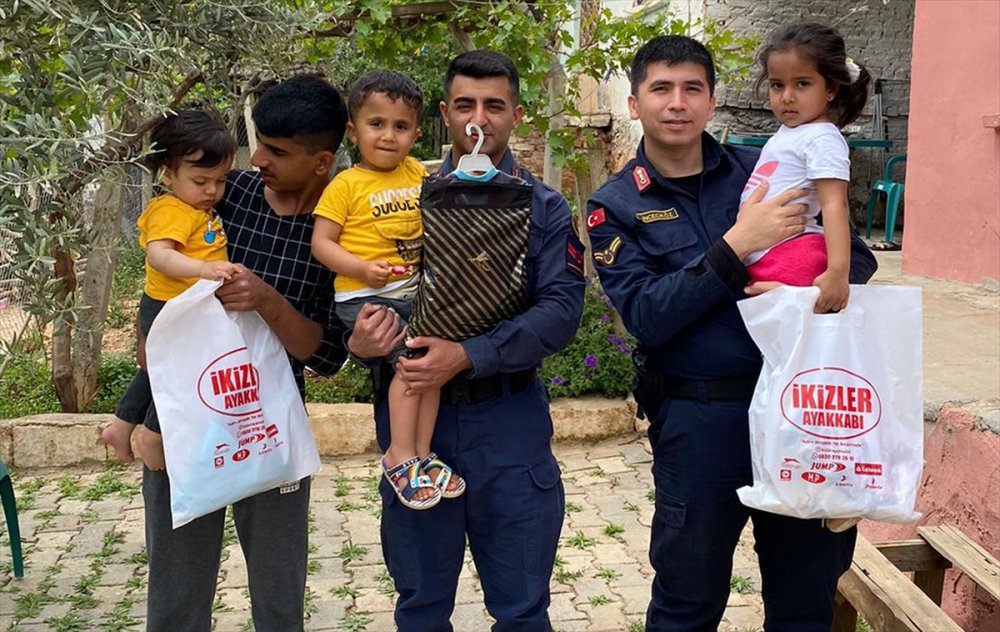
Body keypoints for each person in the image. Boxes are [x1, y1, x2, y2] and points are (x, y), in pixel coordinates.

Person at [586, 36, 878, 631]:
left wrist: (799, 292)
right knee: (687, 601)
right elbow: (646, 316)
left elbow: (857, 263)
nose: (677, 103)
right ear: (636, 102)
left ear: (712, 100)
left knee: (804, 596)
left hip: (800, 411)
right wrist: (738, 244)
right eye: (661, 89)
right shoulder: (615, 205)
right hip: (701, 423)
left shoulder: (767, 165)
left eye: (692, 88)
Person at [351, 50, 586, 631]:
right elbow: (353, 283)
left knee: (522, 607)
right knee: (422, 605)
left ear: (516, 115)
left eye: (494, 105)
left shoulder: (544, 208)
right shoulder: (406, 200)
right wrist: (358, 338)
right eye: (465, 104)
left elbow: (560, 311)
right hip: (414, 431)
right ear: (445, 114)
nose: (479, 117)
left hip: (507, 425)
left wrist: (468, 355)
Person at [132, 74, 368, 632]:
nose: (256, 157)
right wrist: (143, 417)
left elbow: (328, 355)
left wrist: (267, 300)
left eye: (278, 151)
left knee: (279, 593)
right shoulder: (222, 195)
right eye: (259, 141)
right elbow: (164, 306)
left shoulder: (339, 236)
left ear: (322, 162)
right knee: (177, 590)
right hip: (187, 421)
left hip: (270, 424)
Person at [312, 70, 462, 511]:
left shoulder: (417, 172)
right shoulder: (346, 185)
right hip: (365, 298)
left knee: (432, 368)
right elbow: (321, 244)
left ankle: (422, 453)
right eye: (377, 124)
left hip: (411, 293)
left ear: (416, 133)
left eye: (400, 127)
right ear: (353, 130)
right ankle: (399, 455)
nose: (388, 136)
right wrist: (362, 268)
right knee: (412, 369)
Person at [745, 22, 872, 532]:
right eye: (778, 86)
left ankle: (838, 487)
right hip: (771, 258)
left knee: (806, 379)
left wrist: (837, 273)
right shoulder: (792, 134)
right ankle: (810, 478)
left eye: (802, 85)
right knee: (795, 381)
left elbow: (834, 204)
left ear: (831, 89)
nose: (787, 97)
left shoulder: (822, 137)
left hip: (797, 257)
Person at [100, 110, 237, 465]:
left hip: (186, 307)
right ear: (168, 174)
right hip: (168, 307)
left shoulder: (194, 209)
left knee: (158, 372)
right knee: (178, 373)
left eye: (220, 181)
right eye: (201, 180)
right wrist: (203, 269)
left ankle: (120, 425)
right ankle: (153, 435)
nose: (212, 190)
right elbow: (160, 256)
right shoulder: (170, 210)